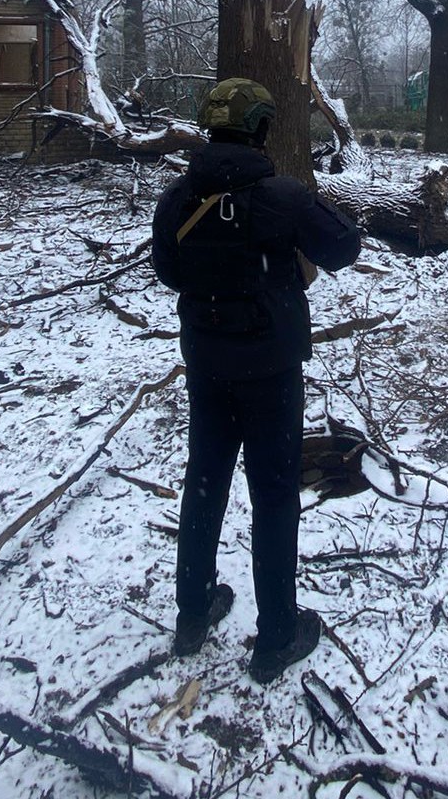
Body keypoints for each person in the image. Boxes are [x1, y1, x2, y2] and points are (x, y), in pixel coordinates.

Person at [151, 78, 361, 683]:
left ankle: (193, 614)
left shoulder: (177, 198)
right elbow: (343, 248)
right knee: (273, 497)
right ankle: (275, 640)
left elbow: (168, 271)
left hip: (208, 366)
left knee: (204, 483)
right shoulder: (284, 196)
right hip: (271, 372)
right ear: (262, 129)